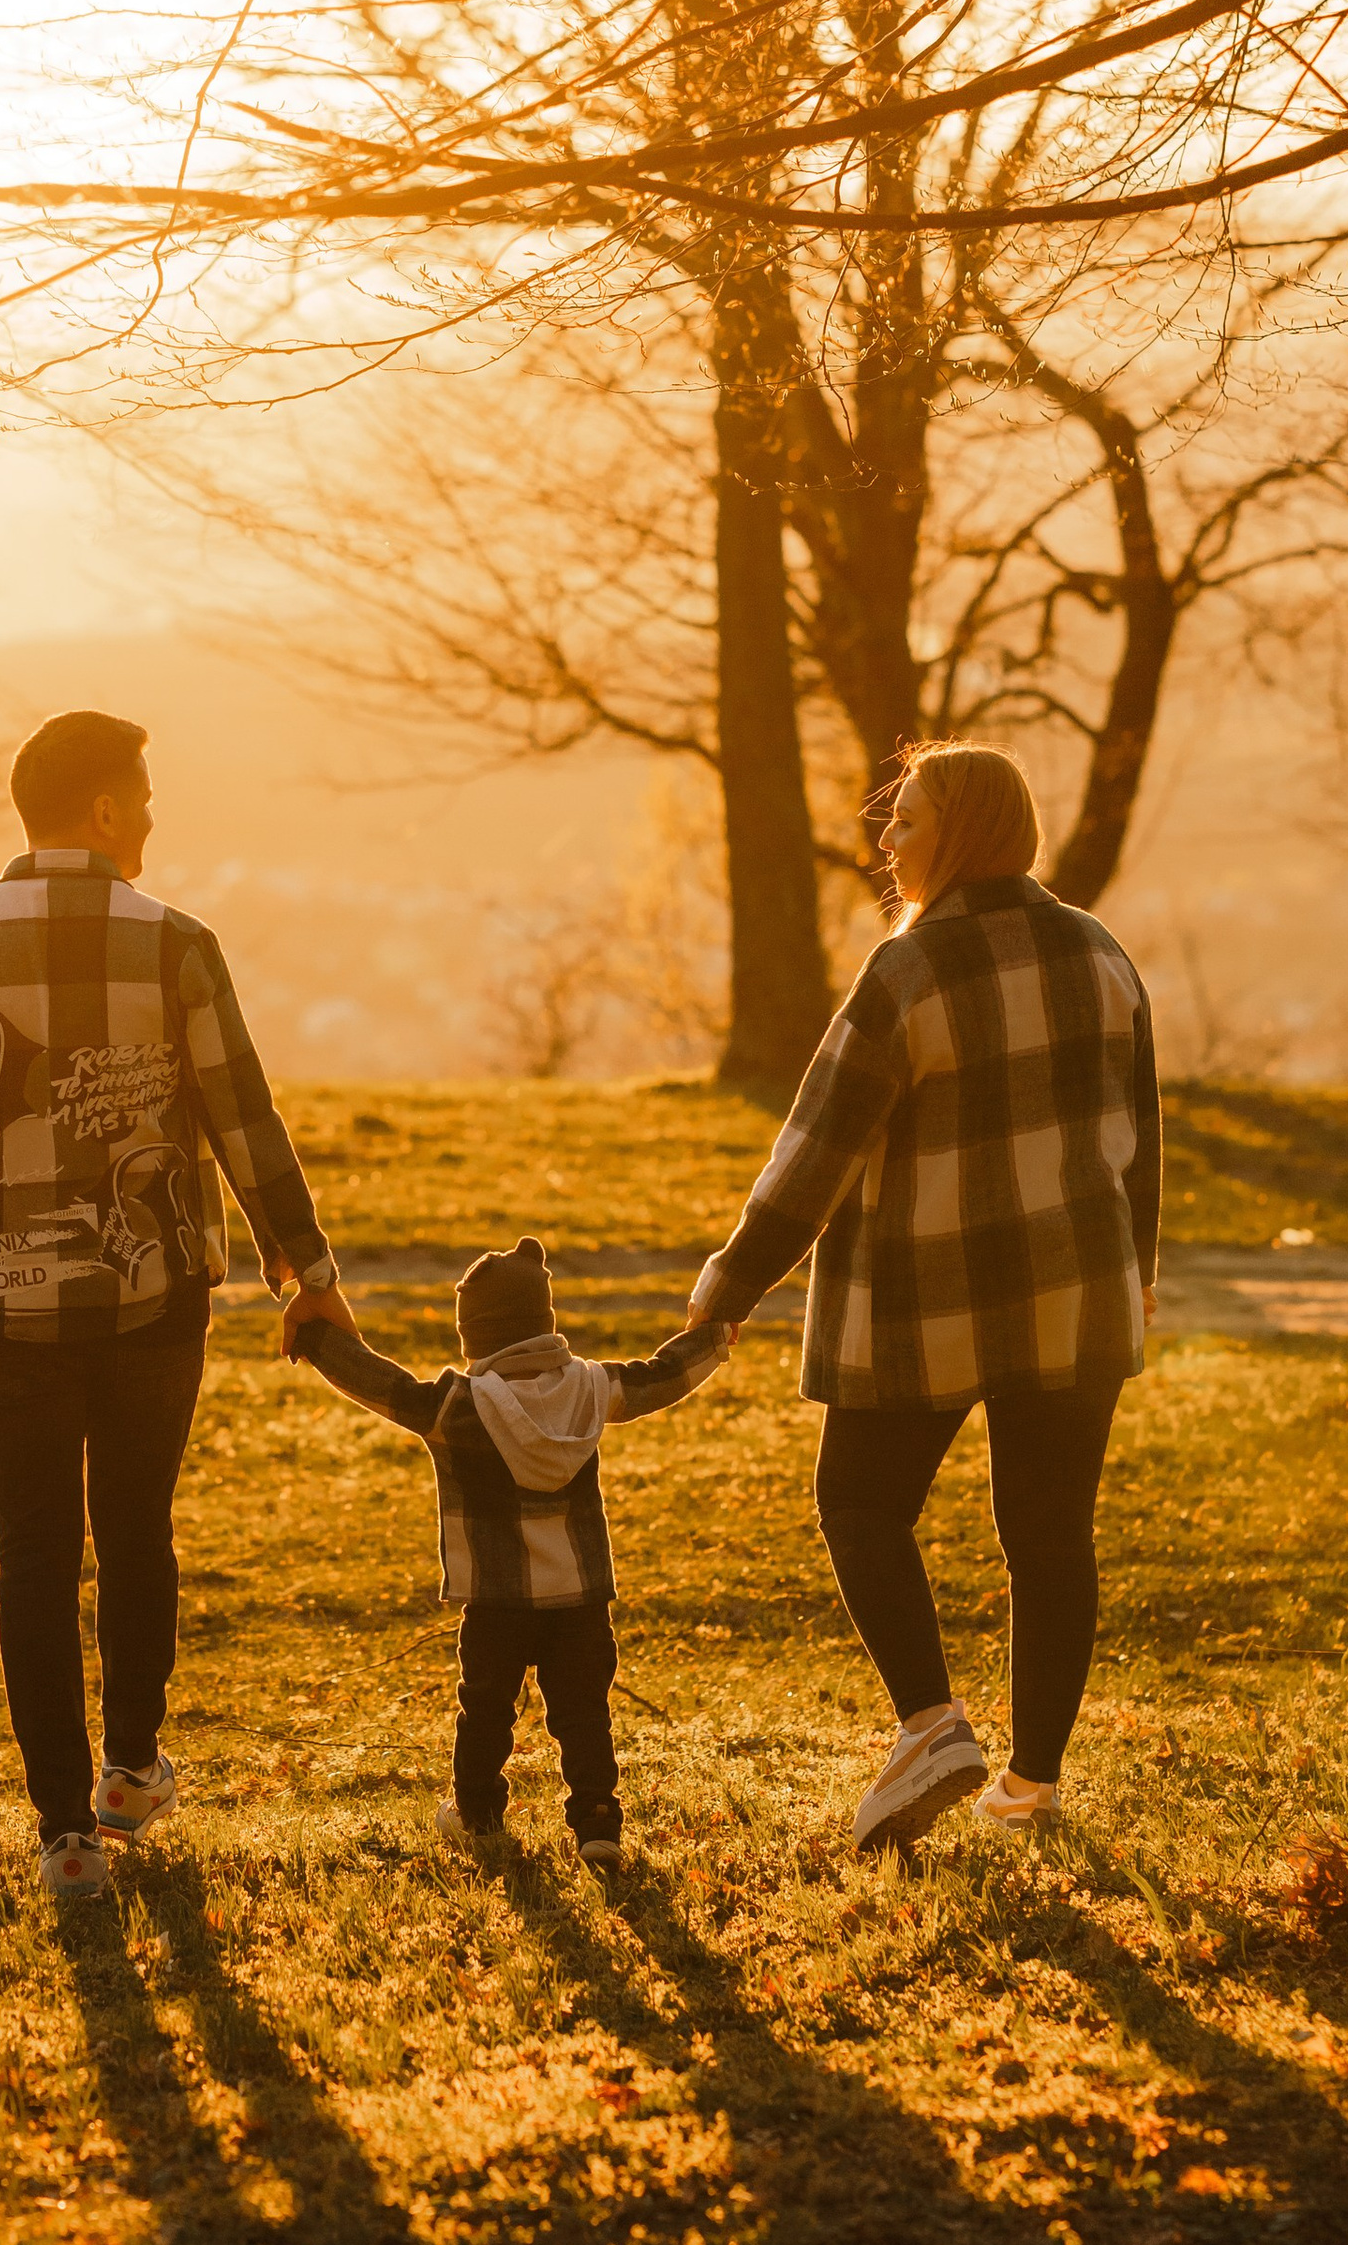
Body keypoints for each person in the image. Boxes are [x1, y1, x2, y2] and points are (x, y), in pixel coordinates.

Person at [0, 707, 355, 1895]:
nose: (151, 816)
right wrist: (308, 1272)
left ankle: (62, 1834)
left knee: (32, 1550)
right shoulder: (176, 943)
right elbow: (244, 1116)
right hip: (150, 1293)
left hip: (3, 1301)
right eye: (141, 794)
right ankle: (128, 1768)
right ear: (101, 810)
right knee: (136, 1524)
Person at [689, 740, 1159, 1856]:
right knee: (1050, 1539)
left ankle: (930, 1725)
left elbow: (816, 1152)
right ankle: (1030, 1783)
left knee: (859, 1502)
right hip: (1078, 1293)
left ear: (961, 833)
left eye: (905, 822)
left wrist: (730, 1280)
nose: (884, 842)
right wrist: (1134, 1274)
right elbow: (1137, 1138)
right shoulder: (1101, 952)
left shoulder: (907, 973)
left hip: (928, 1300)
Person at [292, 1232, 729, 1869]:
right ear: (543, 1324)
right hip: (580, 1600)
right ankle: (598, 1822)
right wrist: (713, 1335)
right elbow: (662, 1378)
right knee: (584, 1714)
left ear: (476, 1336)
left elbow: (382, 1384)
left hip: (495, 1601)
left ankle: (476, 1815)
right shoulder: (591, 1391)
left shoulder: (459, 1406)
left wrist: (317, 1339)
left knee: (486, 1713)